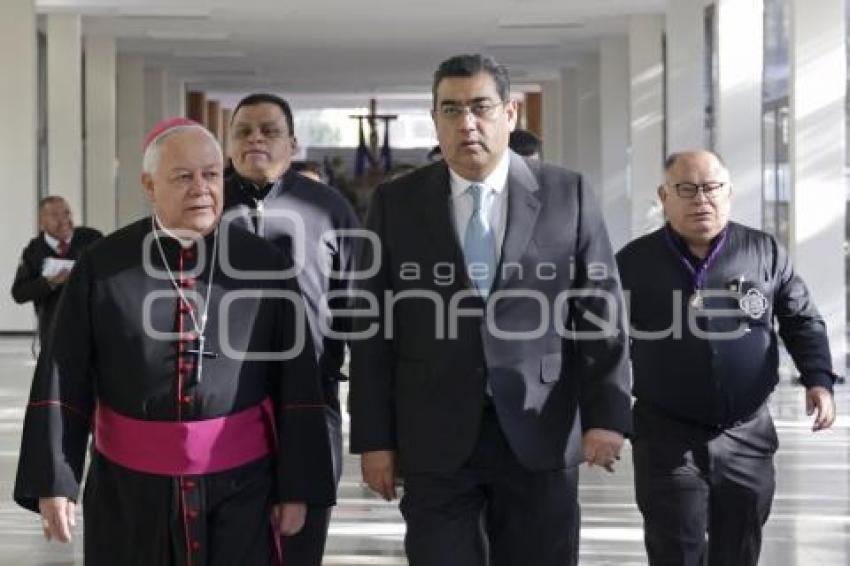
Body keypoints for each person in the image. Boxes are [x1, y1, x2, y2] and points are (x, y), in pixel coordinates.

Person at [349, 53, 632, 566]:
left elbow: (600, 312)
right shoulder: (397, 203)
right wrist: (373, 439)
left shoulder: (567, 194)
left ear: (511, 113)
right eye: (451, 110)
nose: (467, 123)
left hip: (538, 427)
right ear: (435, 119)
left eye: (480, 107)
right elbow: (373, 328)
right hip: (433, 434)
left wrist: (607, 415)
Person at [14, 118, 334, 566]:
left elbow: (296, 384)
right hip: (130, 491)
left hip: (242, 488)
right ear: (149, 185)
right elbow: (64, 375)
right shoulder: (102, 265)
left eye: (211, 174)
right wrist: (56, 480)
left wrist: (297, 487)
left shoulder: (266, 264)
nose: (201, 188)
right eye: (183, 176)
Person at [616, 150, 838, 566]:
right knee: (676, 548)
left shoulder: (763, 252)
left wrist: (818, 380)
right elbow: (605, 342)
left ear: (729, 194)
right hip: (666, 436)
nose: (701, 199)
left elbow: (802, 319)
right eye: (686, 189)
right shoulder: (633, 263)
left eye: (712, 187)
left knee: (738, 550)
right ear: (664, 197)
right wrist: (605, 416)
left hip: (746, 432)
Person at [223, 93, 360, 565]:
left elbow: (357, 304)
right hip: (222, 404)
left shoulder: (328, 209)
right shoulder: (206, 205)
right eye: (243, 130)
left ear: (293, 143)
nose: (255, 138)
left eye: (269, 130)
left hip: (310, 397)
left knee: (302, 535)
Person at [11, 196, 102, 345]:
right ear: (41, 222)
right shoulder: (34, 250)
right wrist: (49, 283)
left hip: (90, 327)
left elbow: (108, 276)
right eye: (55, 215)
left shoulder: (91, 239)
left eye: (66, 213)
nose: (64, 220)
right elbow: (19, 293)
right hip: (53, 332)